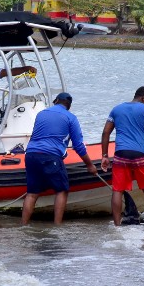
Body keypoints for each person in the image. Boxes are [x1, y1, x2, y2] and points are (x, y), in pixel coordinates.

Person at [21, 93, 98, 224]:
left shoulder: (41, 114)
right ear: (69, 106)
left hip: (31, 154)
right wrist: (90, 165)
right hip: (50, 156)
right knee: (61, 191)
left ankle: (23, 224)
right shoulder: (71, 118)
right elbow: (78, 146)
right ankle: (57, 225)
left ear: (56, 101)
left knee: (32, 193)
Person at [100, 86, 144, 231]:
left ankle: (117, 226)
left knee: (117, 190)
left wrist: (104, 155)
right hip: (139, 154)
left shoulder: (116, 109)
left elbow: (105, 132)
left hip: (121, 154)